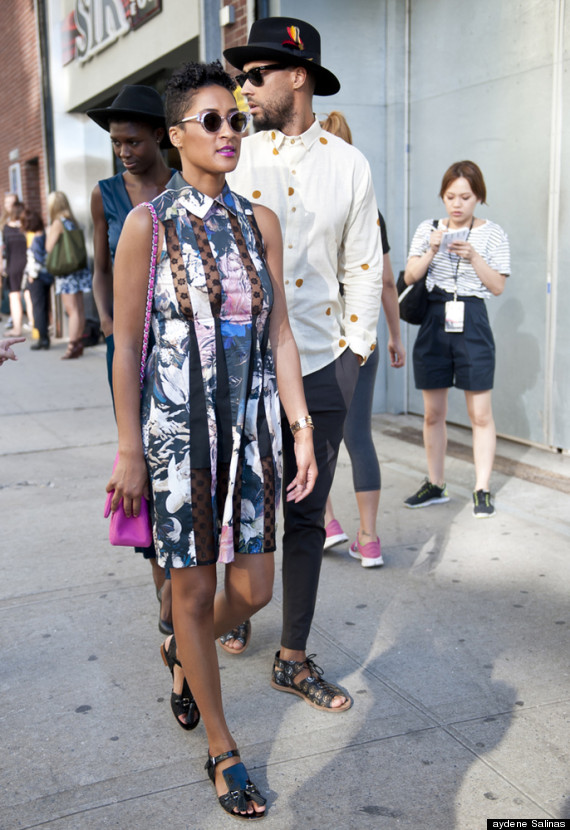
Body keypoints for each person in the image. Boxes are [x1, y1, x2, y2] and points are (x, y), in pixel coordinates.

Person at [108, 60, 316, 819]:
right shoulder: (147, 226)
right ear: (177, 135)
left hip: (254, 431)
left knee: (253, 590)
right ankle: (223, 748)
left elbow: (282, 334)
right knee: (192, 592)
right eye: (212, 120)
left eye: (237, 118)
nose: (231, 130)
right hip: (175, 434)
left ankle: (179, 655)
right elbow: (127, 346)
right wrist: (131, 448)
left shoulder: (260, 222)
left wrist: (299, 427)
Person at [223, 18, 382, 707]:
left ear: (298, 74)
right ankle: (236, 608)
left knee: (309, 516)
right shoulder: (236, 155)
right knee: (238, 500)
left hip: (323, 363)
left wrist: (355, 353)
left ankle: (293, 654)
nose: (246, 86)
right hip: (246, 367)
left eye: (257, 74)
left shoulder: (350, 165)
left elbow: (363, 266)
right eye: (243, 75)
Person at [88, 85, 177, 634]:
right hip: (128, 350)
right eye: (116, 142)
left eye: (133, 140)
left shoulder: (186, 186)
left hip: (185, 347)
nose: (123, 150)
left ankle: (200, 597)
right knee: (141, 463)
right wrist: (106, 317)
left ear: (162, 137)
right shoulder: (105, 194)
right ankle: (170, 608)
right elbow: (100, 267)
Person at [319, 111, 406, 568]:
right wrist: (393, 334)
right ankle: (368, 539)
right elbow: (386, 280)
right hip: (361, 336)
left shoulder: (305, 207)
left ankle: (327, 522)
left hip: (317, 336)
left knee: (314, 436)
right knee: (359, 436)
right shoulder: (370, 209)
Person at [402, 160, 510, 518]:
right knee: (434, 413)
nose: (457, 204)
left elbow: (496, 286)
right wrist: (432, 249)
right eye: (450, 196)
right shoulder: (428, 228)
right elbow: (409, 275)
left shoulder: (492, 233)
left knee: (480, 413)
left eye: (465, 196)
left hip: (473, 319)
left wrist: (474, 256)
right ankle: (436, 483)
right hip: (434, 318)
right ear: (443, 196)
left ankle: (482, 488)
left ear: (478, 197)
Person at [46, 192, 92, 359]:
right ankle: (78, 342)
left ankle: (72, 345)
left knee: (71, 311)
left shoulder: (58, 223)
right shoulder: (73, 221)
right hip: (78, 269)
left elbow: (48, 247)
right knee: (79, 309)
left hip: (66, 272)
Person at [22, 209, 53, 351]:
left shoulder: (37, 239)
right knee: (44, 307)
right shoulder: (45, 235)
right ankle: (44, 336)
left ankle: (43, 339)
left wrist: (32, 275)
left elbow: (38, 260)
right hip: (46, 276)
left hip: (38, 278)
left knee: (38, 308)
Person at [2, 202, 27, 336]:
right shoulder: (27, 227)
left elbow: (2, 250)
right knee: (29, 296)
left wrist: (2, 267)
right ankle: (35, 327)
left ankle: (17, 328)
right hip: (28, 264)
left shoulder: (5, 229)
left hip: (12, 265)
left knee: (14, 296)